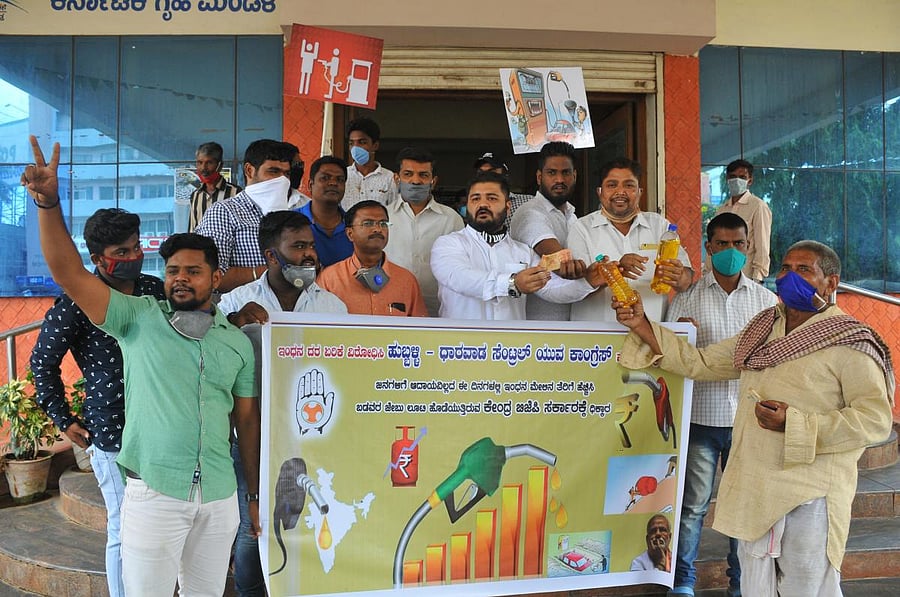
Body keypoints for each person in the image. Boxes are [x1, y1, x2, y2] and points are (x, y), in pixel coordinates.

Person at [22, 135, 261, 597]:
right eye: (173, 270)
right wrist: (50, 205)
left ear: (215, 278)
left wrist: (250, 494)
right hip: (148, 482)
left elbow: (246, 421)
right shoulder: (138, 317)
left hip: (217, 496)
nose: (179, 278)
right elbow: (68, 273)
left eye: (193, 271)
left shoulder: (233, 341)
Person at [614, 240, 894, 597]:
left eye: (804, 270)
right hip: (756, 487)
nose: (790, 277)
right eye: (785, 268)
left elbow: (874, 420)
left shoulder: (849, 341)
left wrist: (796, 422)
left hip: (809, 494)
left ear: (831, 282)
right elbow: (700, 362)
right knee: (755, 588)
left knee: (806, 588)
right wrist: (641, 324)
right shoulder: (762, 329)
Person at [30, 208, 165, 597]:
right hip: (112, 431)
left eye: (137, 247)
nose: (134, 256)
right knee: (124, 527)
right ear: (97, 259)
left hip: (162, 427)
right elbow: (42, 362)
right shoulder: (76, 303)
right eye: (121, 251)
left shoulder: (155, 290)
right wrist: (62, 417)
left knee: (159, 524)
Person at [217, 210, 345, 596]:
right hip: (251, 433)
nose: (310, 255)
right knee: (251, 525)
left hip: (314, 434)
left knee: (302, 517)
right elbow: (213, 363)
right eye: (299, 247)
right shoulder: (236, 303)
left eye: (311, 246)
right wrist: (235, 325)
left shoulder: (333, 307)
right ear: (273, 256)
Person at [665, 213, 778, 597]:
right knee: (692, 508)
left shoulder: (767, 302)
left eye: (738, 244)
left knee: (743, 508)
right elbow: (671, 354)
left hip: (750, 422)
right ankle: (682, 582)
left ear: (749, 248)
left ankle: (742, 584)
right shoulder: (685, 297)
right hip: (700, 419)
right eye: (723, 244)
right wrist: (679, 333)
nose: (731, 251)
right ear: (708, 247)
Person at [431, 171, 603, 320]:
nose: (483, 204)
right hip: (460, 348)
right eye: (475, 199)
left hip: (509, 350)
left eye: (492, 198)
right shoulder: (447, 244)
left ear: (507, 207)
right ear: (467, 206)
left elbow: (552, 288)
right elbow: (461, 278)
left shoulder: (523, 251)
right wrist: (512, 283)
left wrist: (588, 282)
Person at [567, 157, 693, 322]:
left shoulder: (659, 226)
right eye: (612, 185)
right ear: (599, 192)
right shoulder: (582, 228)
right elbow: (574, 289)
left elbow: (686, 282)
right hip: (596, 340)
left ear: (640, 191)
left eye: (629, 185)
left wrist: (678, 276)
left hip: (651, 335)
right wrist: (615, 272)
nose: (620, 192)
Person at [195, 138, 299, 293]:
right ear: (250, 170)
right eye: (273, 171)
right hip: (241, 312)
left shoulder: (292, 215)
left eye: (286, 174)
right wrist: (270, 272)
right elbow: (211, 277)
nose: (282, 180)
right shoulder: (224, 213)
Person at [510, 141, 585, 321]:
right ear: (539, 177)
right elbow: (560, 264)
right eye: (552, 172)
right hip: (539, 328)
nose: (559, 179)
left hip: (571, 324)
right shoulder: (529, 212)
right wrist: (599, 271)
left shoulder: (572, 216)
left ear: (574, 176)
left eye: (565, 172)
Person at [383, 147, 463, 316]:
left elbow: (460, 267)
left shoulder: (451, 219)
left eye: (423, 175)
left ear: (433, 181)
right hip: (391, 309)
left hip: (438, 310)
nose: (416, 181)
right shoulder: (383, 217)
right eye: (408, 174)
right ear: (397, 179)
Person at [318, 200, 427, 317]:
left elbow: (419, 331)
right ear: (350, 234)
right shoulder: (329, 279)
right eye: (368, 223)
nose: (378, 229)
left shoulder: (406, 281)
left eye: (383, 224)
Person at [714, 159, 772, 282]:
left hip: (747, 278)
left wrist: (757, 279)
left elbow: (762, 247)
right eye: (733, 176)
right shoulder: (722, 210)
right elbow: (714, 245)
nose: (737, 180)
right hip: (721, 278)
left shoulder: (758, 206)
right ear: (727, 179)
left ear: (750, 180)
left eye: (742, 177)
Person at [296, 155, 354, 268]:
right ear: (310, 185)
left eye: (340, 180)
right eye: (325, 178)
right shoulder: (291, 221)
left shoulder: (354, 225)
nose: (333, 183)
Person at [341, 117, 398, 209]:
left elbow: (394, 212)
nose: (355, 148)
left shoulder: (389, 178)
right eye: (351, 143)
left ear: (375, 146)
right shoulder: (343, 175)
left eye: (362, 142)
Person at [188, 141, 242, 232]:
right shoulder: (196, 195)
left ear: (220, 165)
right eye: (199, 163)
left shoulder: (236, 193)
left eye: (209, 163)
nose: (203, 168)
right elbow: (192, 230)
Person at [473, 152, 532, 227]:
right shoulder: (473, 204)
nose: (485, 178)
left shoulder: (528, 202)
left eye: (492, 173)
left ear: (505, 176)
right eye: (481, 173)